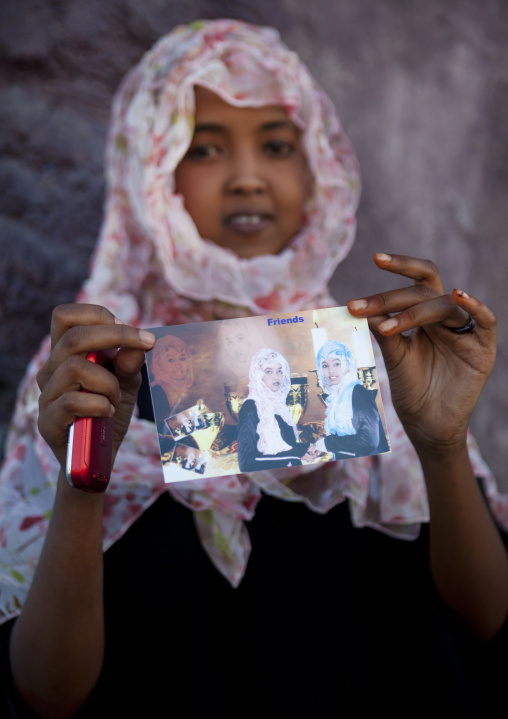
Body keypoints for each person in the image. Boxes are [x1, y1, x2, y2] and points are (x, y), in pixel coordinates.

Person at [0, 19, 507, 719]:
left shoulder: (384, 362)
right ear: (151, 169)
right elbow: (46, 692)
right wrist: (84, 484)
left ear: (319, 168)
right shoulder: (89, 375)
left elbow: (487, 626)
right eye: (201, 146)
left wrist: (443, 445)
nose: (246, 176)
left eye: (276, 143)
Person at [237, 348, 313, 471]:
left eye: (279, 371)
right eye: (269, 372)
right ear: (258, 375)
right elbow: (247, 462)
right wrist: (295, 454)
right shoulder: (250, 407)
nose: (276, 377)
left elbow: (286, 446)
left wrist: (309, 447)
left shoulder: (280, 405)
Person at [314, 340, 388, 460]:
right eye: (325, 365)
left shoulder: (357, 393)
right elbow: (346, 433)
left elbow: (369, 441)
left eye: (336, 364)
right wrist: (322, 446)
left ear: (346, 363)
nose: (331, 370)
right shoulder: (337, 395)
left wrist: (326, 444)